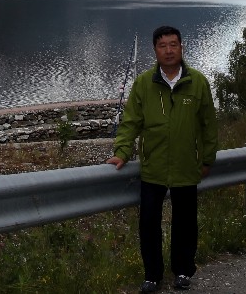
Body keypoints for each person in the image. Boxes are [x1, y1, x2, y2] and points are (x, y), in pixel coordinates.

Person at [106, 25, 218, 293]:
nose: (168, 50)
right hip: (153, 166)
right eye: (162, 45)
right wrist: (122, 152)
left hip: (185, 165)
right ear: (155, 50)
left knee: (185, 223)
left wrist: (207, 159)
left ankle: (183, 271)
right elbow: (131, 122)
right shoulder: (144, 83)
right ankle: (152, 276)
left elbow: (208, 126)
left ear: (182, 47)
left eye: (173, 44)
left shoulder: (198, 82)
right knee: (148, 224)